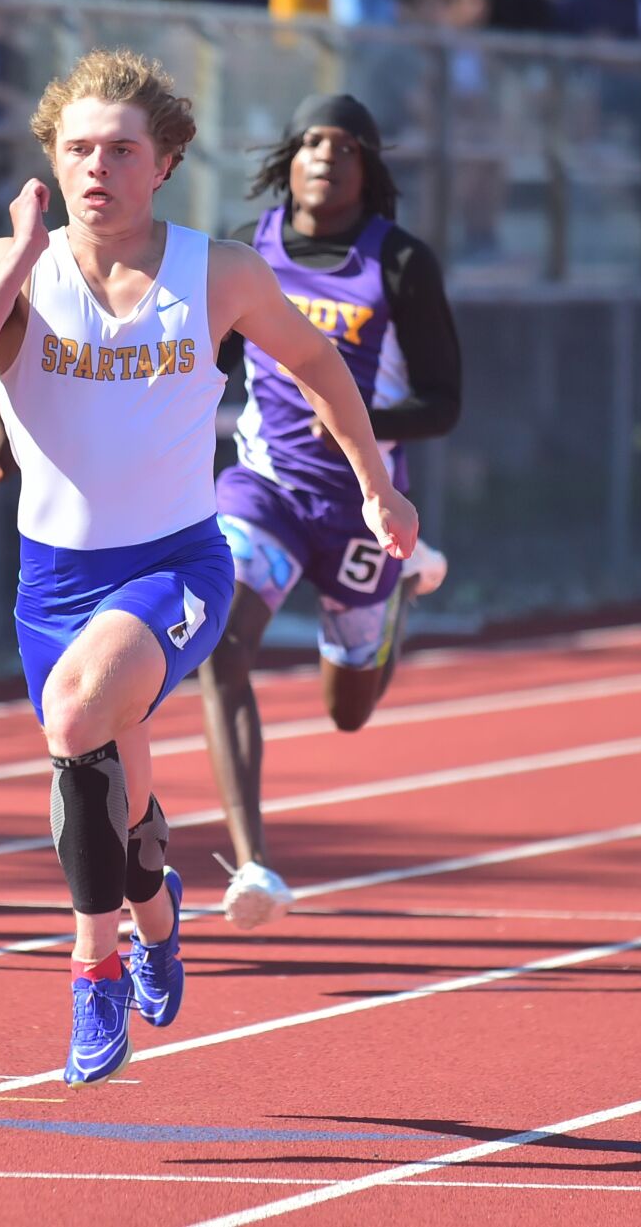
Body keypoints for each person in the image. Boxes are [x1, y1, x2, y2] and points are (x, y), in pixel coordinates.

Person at [0, 51, 417, 1088]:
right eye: (77, 150)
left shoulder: (219, 270)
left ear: (165, 162)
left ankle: (92, 969)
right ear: (52, 160)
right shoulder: (16, 268)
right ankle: (155, 916)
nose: (97, 168)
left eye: (121, 150)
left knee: (75, 717)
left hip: (178, 563)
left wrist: (376, 482)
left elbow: (318, 363)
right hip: (53, 583)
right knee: (116, 796)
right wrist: (13, 258)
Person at [200, 94, 461, 929]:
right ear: (290, 158)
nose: (324, 156)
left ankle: (387, 612)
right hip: (263, 489)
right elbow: (202, 357)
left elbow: (444, 402)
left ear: (367, 168)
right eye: (310, 140)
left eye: (344, 146)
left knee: (348, 711)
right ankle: (253, 864)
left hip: (361, 506)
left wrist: (363, 422)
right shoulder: (247, 251)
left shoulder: (401, 264)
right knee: (220, 648)